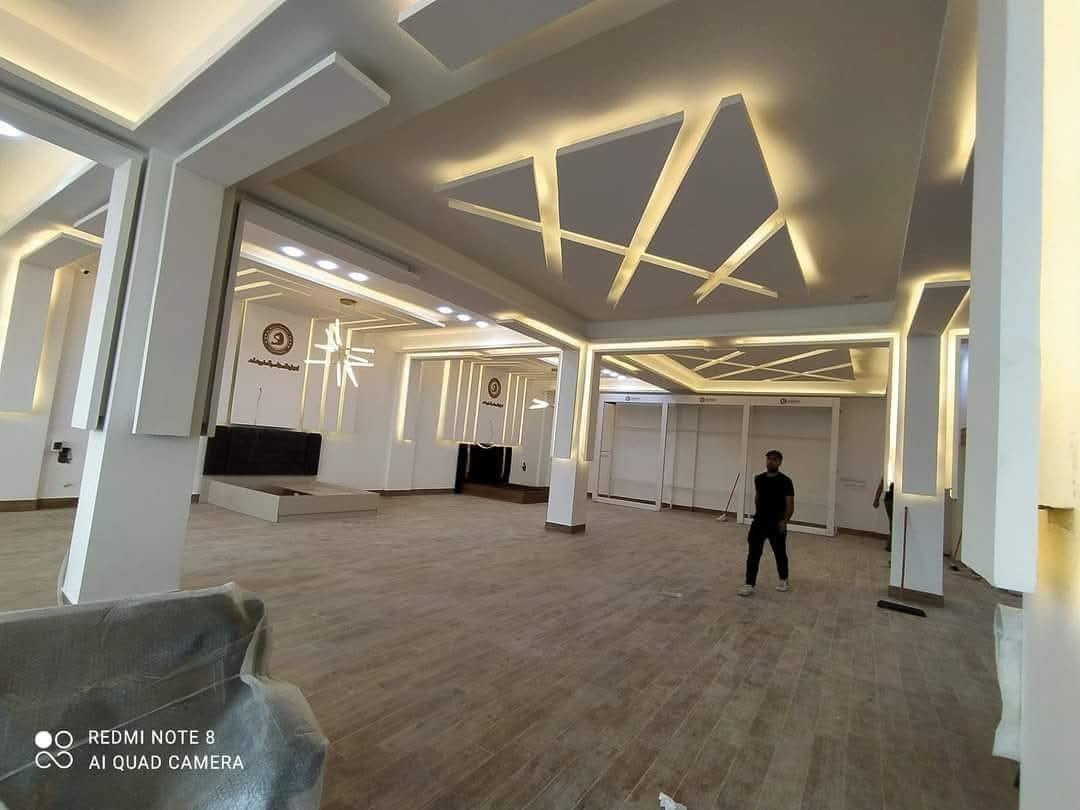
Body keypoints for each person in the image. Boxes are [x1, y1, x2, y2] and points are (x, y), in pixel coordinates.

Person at [738, 450, 794, 597]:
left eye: (774, 459)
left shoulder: (786, 481)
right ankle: (749, 584)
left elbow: (790, 504)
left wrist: (785, 521)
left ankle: (783, 579)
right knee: (753, 554)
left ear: (780, 462)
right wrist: (758, 516)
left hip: (777, 524)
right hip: (759, 523)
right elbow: (758, 498)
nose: (770, 461)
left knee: (780, 553)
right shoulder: (759, 479)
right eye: (768, 459)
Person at [873, 478, 894, 552]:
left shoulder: (890, 471)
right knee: (894, 523)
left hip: (889, 500)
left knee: (893, 523)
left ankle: (890, 545)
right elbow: (881, 485)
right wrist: (876, 499)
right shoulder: (891, 472)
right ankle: (891, 545)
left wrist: (876, 499)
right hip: (891, 501)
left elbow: (881, 485)